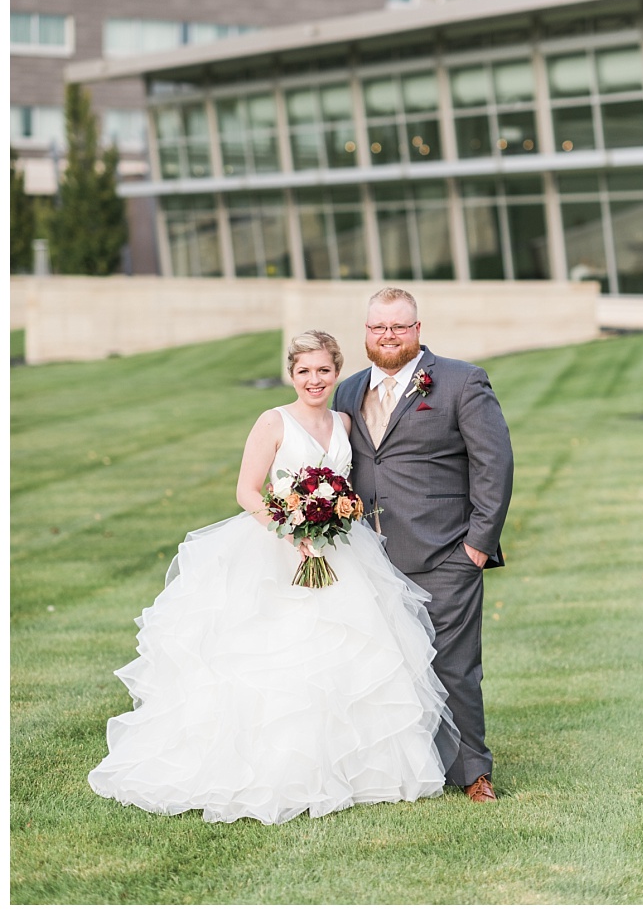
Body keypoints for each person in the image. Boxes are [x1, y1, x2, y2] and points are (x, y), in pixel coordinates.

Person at [89, 331, 459, 824]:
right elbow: (247, 490)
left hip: (342, 551)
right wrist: (292, 533)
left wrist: (337, 514)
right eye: (304, 371)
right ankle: (277, 771)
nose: (314, 380)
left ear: (336, 372)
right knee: (279, 660)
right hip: (278, 550)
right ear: (292, 374)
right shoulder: (273, 421)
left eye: (324, 370)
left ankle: (353, 770)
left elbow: (350, 483)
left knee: (348, 656)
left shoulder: (345, 421)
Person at [333, 288, 513, 803]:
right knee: (379, 668)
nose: (387, 336)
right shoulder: (347, 392)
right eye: (377, 328)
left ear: (417, 329)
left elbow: (494, 465)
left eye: (398, 327)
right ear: (366, 331)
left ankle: (473, 773)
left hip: (444, 555)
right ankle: (390, 769)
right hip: (367, 559)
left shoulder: (461, 381)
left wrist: (476, 546)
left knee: (453, 667)